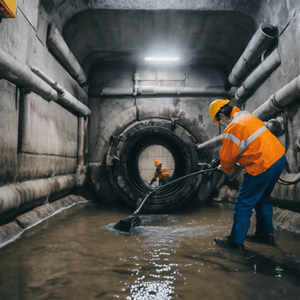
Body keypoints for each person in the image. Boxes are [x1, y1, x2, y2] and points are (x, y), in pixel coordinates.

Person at [209, 99, 286, 250]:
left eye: (219, 120)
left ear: (222, 116)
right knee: (261, 199)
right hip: (278, 158)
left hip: (262, 164)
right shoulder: (248, 117)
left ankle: (236, 242)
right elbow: (250, 147)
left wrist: (225, 168)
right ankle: (265, 235)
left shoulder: (232, 128)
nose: (221, 123)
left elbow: (227, 161)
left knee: (242, 204)